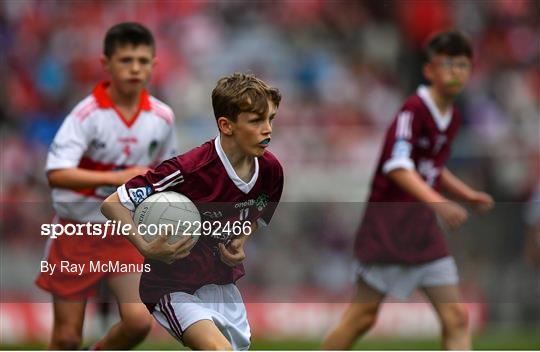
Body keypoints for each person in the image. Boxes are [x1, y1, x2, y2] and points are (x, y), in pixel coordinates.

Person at [322, 30, 494, 350]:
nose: (456, 73)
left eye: (462, 66)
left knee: (456, 317)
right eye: (448, 65)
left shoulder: (452, 116)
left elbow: (432, 167)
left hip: (423, 231)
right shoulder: (413, 111)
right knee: (363, 317)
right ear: (429, 70)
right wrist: (439, 203)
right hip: (389, 229)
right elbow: (399, 167)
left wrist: (466, 194)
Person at [101, 72, 283, 350]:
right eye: (256, 120)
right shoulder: (188, 169)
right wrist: (145, 246)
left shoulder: (271, 171)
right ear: (226, 125)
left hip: (222, 284)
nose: (267, 129)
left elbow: (259, 210)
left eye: (270, 119)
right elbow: (113, 204)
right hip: (172, 286)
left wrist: (241, 240)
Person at [36, 22, 178, 350]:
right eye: (126, 60)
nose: (135, 68)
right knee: (66, 338)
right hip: (75, 231)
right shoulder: (86, 116)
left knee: (139, 323)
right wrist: (115, 178)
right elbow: (56, 174)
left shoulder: (163, 118)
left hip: (122, 231)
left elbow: (165, 173)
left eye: (143, 61)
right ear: (106, 64)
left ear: (154, 65)